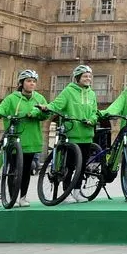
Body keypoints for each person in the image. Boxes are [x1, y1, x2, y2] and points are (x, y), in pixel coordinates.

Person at [0, 69, 49, 207]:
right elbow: (1, 108)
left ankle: (23, 197)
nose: (32, 84)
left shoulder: (39, 98)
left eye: (34, 81)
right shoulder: (12, 98)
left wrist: (40, 112)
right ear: (21, 83)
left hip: (32, 140)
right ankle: (11, 197)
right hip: (15, 139)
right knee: (13, 170)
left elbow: (46, 115)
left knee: (26, 170)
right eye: (28, 81)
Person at [36, 64, 98, 203]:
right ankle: (66, 191)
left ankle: (77, 191)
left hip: (87, 134)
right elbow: (57, 105)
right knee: (70, 165)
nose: (88, 78)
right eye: (85, 76)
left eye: (89, 76)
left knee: (82, 166)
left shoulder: (92, 94)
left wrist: (92, 120)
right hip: (72, 133)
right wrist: (47, 107)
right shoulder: (68, 91)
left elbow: (94, 112)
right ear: (78, 78)